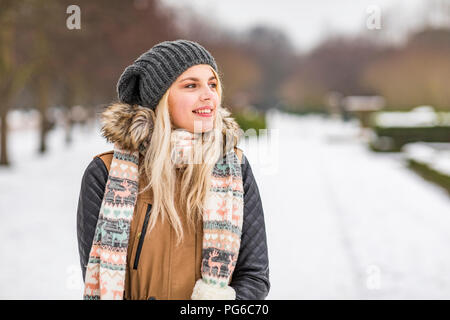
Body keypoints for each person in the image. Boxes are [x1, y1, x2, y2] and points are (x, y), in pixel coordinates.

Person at [76, 39, 270, 300]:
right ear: (160, 99)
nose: (208, 95)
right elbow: (97, 275)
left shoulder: (236, 169)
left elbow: (255, 276)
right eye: (191, 85)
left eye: (212, 84)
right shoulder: (105, 173)